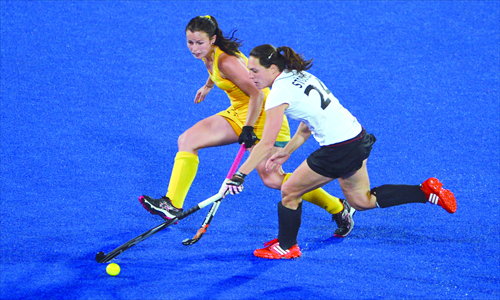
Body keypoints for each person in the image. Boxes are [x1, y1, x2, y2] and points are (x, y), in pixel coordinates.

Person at [224, 44, 457, 259]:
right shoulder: (300, 75)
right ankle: (425, 192)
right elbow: (309, 119)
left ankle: (286, 247)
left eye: (254, 70)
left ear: (272, 68)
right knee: (361, 201)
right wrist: (288, 151)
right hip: (356, 137)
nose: (250, 75)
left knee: (289, 191)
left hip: (339, 149)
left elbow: (266, 143)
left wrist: (239, 174)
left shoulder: (277, 94)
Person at [138, 16, 356, 237]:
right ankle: (172, 204)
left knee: (272, 179)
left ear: (212, 39)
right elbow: (215, 71)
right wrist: (207, 86)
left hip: (261, 115)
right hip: (240, 112)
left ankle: (339, 207)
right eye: (190, 42)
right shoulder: (210, 54)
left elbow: (257, 94)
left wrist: (249, 128)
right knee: (187, 140)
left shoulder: (226, 61)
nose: (194, 48)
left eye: (199, 43)